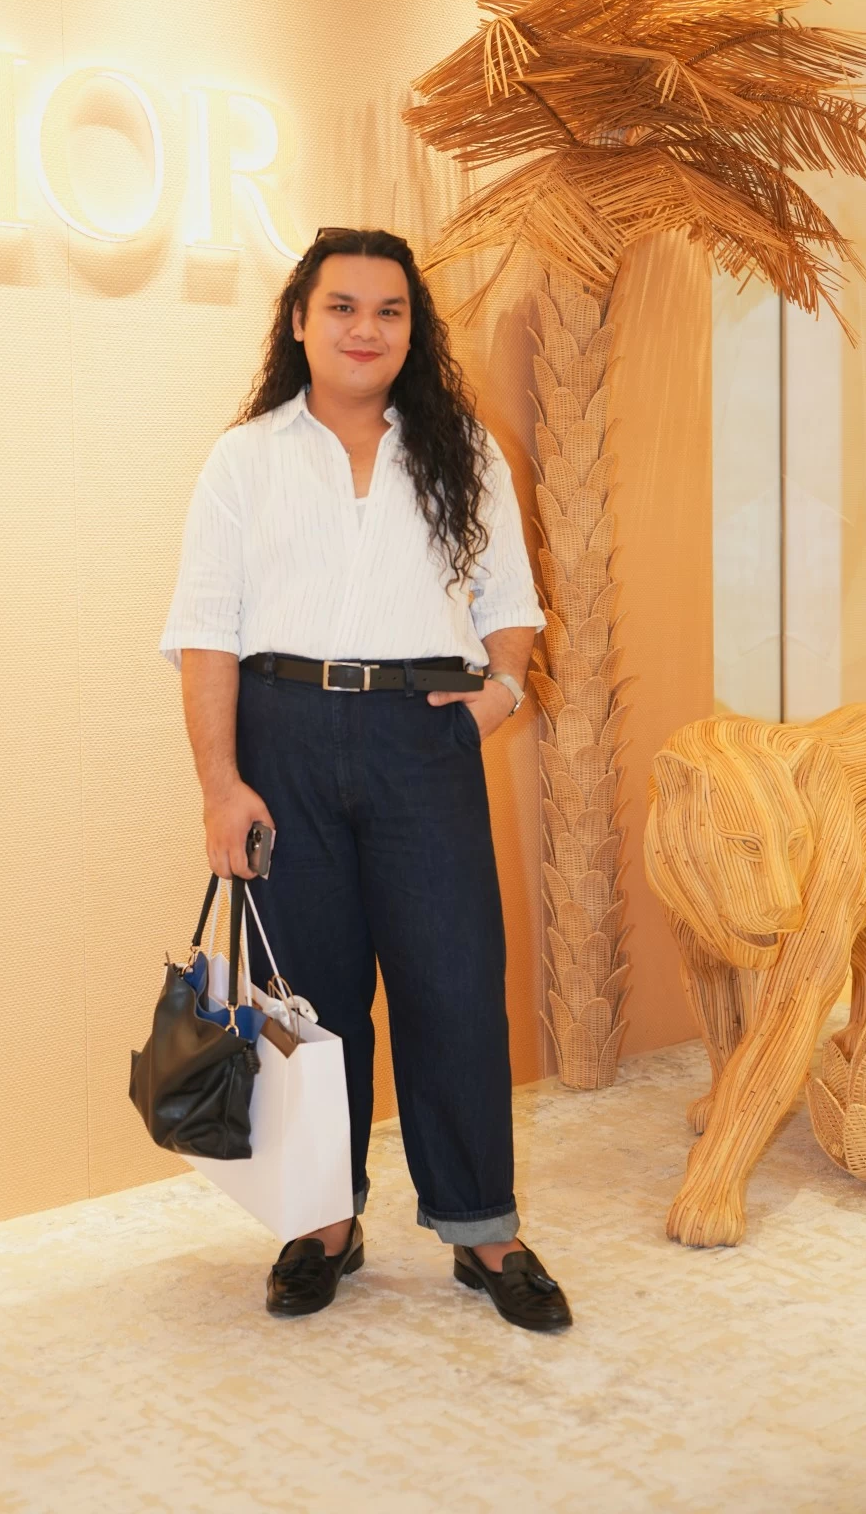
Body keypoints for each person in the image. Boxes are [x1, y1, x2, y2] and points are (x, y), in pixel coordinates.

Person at [159, 226, 572, 1332]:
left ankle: (484, 1229)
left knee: (454, 986)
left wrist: (498, 696)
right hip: (283, 736)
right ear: (300, 321)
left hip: (419, 739)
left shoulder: (462, 450)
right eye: (342, 307)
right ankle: (322, 1223)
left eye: (389, 311)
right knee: (312, 1002)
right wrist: (221, 787)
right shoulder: (246, 458)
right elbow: (206, 632)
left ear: (411, 330)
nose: (365, 329)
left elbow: (511, 604)